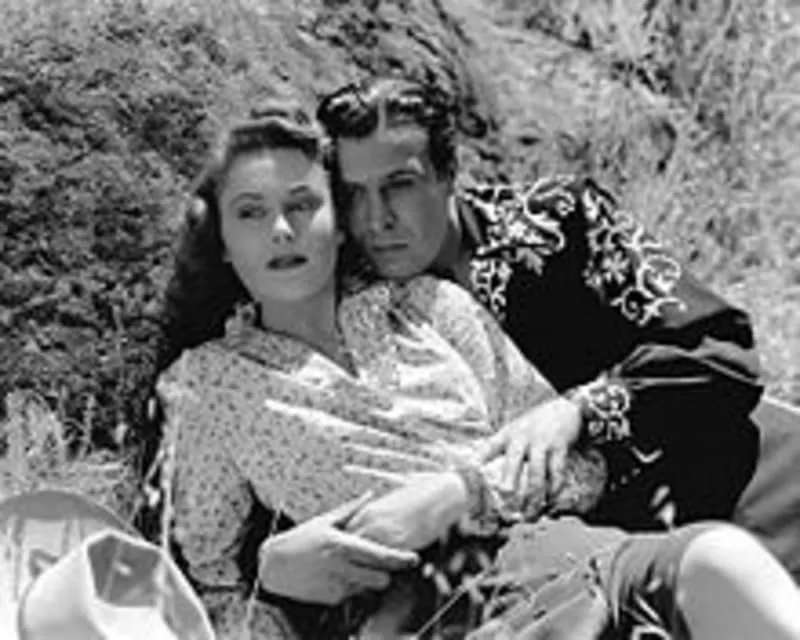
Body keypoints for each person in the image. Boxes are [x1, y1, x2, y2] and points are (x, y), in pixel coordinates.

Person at [156, 102, 800, 639]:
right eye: (250, 211)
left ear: (338, 224)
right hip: (416, 616)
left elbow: (579, 469)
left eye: (303, 204)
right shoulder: (203, 386)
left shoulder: (436, 308)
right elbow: (208, 588)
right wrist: (274, 582)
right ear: (222, 242)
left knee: (719, 561)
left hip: (556, 558)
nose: (281, 229)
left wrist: (458, 493)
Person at [315, 76, 764, 532]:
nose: (376, 219)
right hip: (520, 553)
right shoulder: (336, 290)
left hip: (714, 501)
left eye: (400, 185)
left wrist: (578, 412)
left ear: (449, 172)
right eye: (354, 193)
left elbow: (721, 351)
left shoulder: (561, 223)